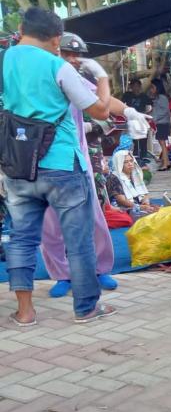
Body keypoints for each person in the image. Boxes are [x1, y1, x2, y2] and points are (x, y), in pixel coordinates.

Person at [1, 7, 116, 325]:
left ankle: (25, 312)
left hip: (18, 165)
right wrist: (102, 79)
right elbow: (100, 111)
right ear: (55, 38)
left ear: (22, 27)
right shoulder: (59, 67)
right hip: (63, 165)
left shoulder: (6, 58)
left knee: (21, 238)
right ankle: (86, 308)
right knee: (78, 241)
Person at [41, 31, 147, 298]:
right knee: (51, 222)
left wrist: (129, 112)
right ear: (55, 52)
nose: (74, 59)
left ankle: (101, 269)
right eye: (68, 53)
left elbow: (104, 103)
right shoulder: (43, 79)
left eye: (78, 54)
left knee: (94, 216)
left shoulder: (75, 79)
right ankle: (62, 274)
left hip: (78, 157)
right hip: (45, 159)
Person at [106, 150, 158, 215]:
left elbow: (144, 192)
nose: (130, 164)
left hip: (137, 205)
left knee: (157, 210)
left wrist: (145, 201)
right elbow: (122, 201)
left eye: (131, 161)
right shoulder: (113, 177)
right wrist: (140, 207)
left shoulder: (135, 174)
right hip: (123, 207)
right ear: (119, 163)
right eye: (126, 162)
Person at [148, 81, 171, 170]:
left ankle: (165, 164)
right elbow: (156, 110)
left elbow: (165, 110)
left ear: (157, 88)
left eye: (153, 87)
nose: (151, 89)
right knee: (162, 143)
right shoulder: (158, 98)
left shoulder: (162, 97)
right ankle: (167, 162)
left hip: (162, 123)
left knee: (162, 143)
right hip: (160, 123)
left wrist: (155, 118)